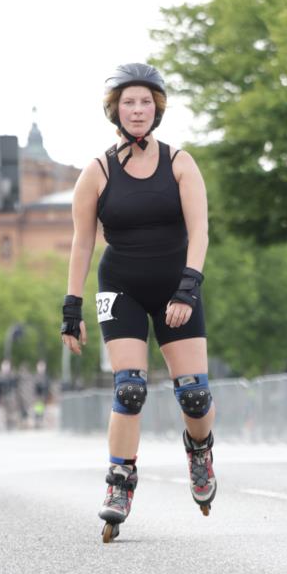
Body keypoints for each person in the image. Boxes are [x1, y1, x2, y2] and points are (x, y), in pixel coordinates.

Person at [60, 62, 217, 541]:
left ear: (157, 109)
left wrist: (188, 287)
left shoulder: (180, 163)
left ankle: (199, 451)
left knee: (193, 392)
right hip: (120, 284)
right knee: (130, 388)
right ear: (115, 110)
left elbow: (200, 230)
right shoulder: (97, 171)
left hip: (176, 286)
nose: (137, 109)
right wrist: (71, 306)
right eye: (129, 101)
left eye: (146, 101)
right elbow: (82, 242)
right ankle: (120, 482)